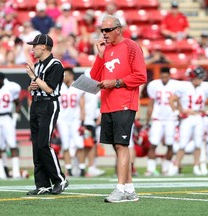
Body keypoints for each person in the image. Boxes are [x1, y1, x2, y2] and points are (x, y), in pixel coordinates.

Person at [90, 15, 147, 202]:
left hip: (124, 102)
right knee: (117, 146)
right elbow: (94, 76)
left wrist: (116, 82)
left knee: (122, 145)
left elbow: (141, 76)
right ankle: (129, 189)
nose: (104, 34)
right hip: (107, 104)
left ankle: (120, 189)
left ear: (118, 29)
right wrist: (99, 56)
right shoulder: (105, 50)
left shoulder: (131, 47)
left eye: (107, 30)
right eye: (102, 30)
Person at [25, 33, 68, 195]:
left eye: (34, 46)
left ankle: (59, 179)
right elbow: (33, 87)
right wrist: (33, 84)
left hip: (48, 105)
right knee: (36, 145)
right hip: (36, 104)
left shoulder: (55, 64)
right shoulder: (38, 65)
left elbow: (50, 89)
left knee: (44, 143)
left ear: (43, 47)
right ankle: (42, 184)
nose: (32, 49)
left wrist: (34, 77)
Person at [168, 66, 208, 176]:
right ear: (193, 77)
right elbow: (172, 99)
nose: (201, 80)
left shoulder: (205, 87)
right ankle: (176, 166)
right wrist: (177, 111)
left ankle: (196, 166)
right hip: (188, 118)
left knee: (198, 143)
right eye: (199, 78)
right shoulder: (184, 86)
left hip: (199, 117)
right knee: (183, 143)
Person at [145, 67, 179, 176]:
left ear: (169, 76)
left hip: (171, 119)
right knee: (153, 144)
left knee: (170, 145)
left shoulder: (176, 85)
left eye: (166, 76)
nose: (164, 78)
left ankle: (166, 168)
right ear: (160, 76)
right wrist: (147, 119)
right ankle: (151, 169)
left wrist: (179, 114)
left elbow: (180, 100)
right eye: (162, 76)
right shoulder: (154, 85)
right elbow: (151, 103)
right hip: (157, 119)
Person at [56, 67, 86, 177]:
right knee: (65, 144)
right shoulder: (59, 87)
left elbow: (82, 104)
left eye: (66, 75)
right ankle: (68, 168)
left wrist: (82, 117)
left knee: (79, 143)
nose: (64, 77)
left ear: (71, 75)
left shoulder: (78, 86)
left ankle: (82, 168)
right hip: (62, 119)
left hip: (75, 119)